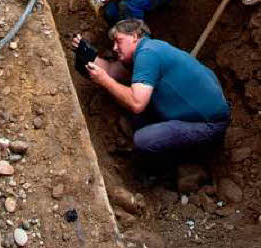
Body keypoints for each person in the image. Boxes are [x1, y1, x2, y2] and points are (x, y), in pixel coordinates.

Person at [73, 19, 230, 166]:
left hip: (208, 125)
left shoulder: (148, 54)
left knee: (143, 140)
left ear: (134, 36)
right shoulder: (150, 50)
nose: (114, 47)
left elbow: (136, 104)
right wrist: (86, 53)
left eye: (118, 41)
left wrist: (105, 81)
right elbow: (111, 71)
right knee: (130, 97)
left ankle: (174, 168)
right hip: (195, 112)